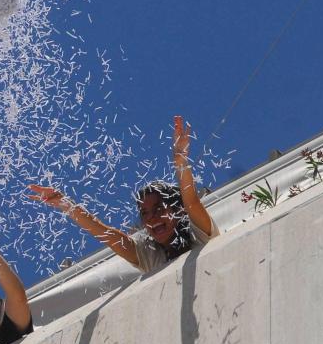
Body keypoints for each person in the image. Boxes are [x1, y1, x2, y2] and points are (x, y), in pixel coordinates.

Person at [26, 115, 219, 273]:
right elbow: (107, 235)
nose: (151, 218)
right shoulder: (149, 254)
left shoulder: (198, 233)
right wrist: (65, 204)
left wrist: (180, 161)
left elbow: (192, 202)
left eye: (158, 208)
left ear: (177, 209)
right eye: (144, 213)